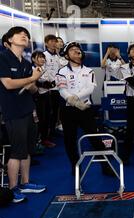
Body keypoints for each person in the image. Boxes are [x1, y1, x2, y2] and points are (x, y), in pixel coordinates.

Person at [0, 27, 46, 203]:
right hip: (13, 111)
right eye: (20, 34)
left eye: (26, 34)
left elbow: (33, 89)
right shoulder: (3, 58)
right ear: (9, 40)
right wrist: (30, 79)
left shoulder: (27, 63)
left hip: (28, 109)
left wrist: (34, 81)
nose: (24, 36)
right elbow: (9, 84)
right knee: (17, 152)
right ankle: (12, 188)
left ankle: (25, 182)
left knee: (27, 149)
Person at [56, 41, 114, 176]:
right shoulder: (62, 71)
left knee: (95, 138)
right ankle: (75, 167)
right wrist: (72, 100)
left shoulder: (89, 71)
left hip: (85, 108)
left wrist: (75, 97)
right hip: (68, 110)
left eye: (78, 50)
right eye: (72, 50)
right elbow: (62, 90)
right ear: (66, 55)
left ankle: (105, 166)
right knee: (70, 140)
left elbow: (90, 88)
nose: (76, 52)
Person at [32, 50, 57, 148]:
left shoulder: (44, 69)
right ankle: (37, 141)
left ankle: (44, 139)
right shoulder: (32, 69)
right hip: (37, 98)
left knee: (47, 118)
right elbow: (33, 82)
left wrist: (48, 84)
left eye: (43, 57)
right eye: (40, 57)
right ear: (34, 59)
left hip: (47, 96)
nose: (42, 59)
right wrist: (41, 84)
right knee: (39, 119)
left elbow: (52, 82)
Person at [43, 34, 64, 140]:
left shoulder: (57, 56)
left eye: (54, 41)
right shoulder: (44, 55)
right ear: (46, 43)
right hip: (49, 88)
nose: (53, 43)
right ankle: (47, 135)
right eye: (51, 41)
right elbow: (42, 71)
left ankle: (53, 130)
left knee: (56, 111)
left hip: (58, 88)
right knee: (49, 112)